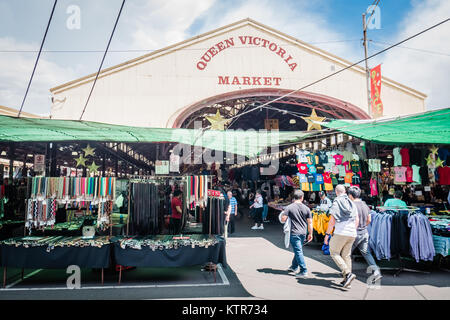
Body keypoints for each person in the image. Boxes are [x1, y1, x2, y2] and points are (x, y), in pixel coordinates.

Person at [324, 185, 359, 289]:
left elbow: (332, 221)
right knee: (346, 256)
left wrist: (327, 235)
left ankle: (348, 274)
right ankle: (346, 281)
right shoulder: (352, 202)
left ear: (336, 191)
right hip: (352, 232)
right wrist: (353, 230)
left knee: (334, 252)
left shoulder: (337, 202)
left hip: (341, 232)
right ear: (345, 191)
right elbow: (357, 219)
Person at [347, 186, 382, 283]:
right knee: (367, 253)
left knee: (346, 253)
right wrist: (363, 226)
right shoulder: (365, 205)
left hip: (353, 233)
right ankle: (376, 272)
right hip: (364, 232)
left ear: (350, 195)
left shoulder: (351, 205)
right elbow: (369, 220)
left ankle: (347, 273)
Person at [280, 190, 313, 278]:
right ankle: (294, 267)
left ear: (293, 197)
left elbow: (283, 219)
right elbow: (310, 223)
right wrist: (310, 233)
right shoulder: (307, 208)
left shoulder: (289, 207)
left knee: (298, 251)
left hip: (294, 232)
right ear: (302, 198)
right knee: (298, 250)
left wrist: (284, 214)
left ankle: (303, 270)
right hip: (303, 232)